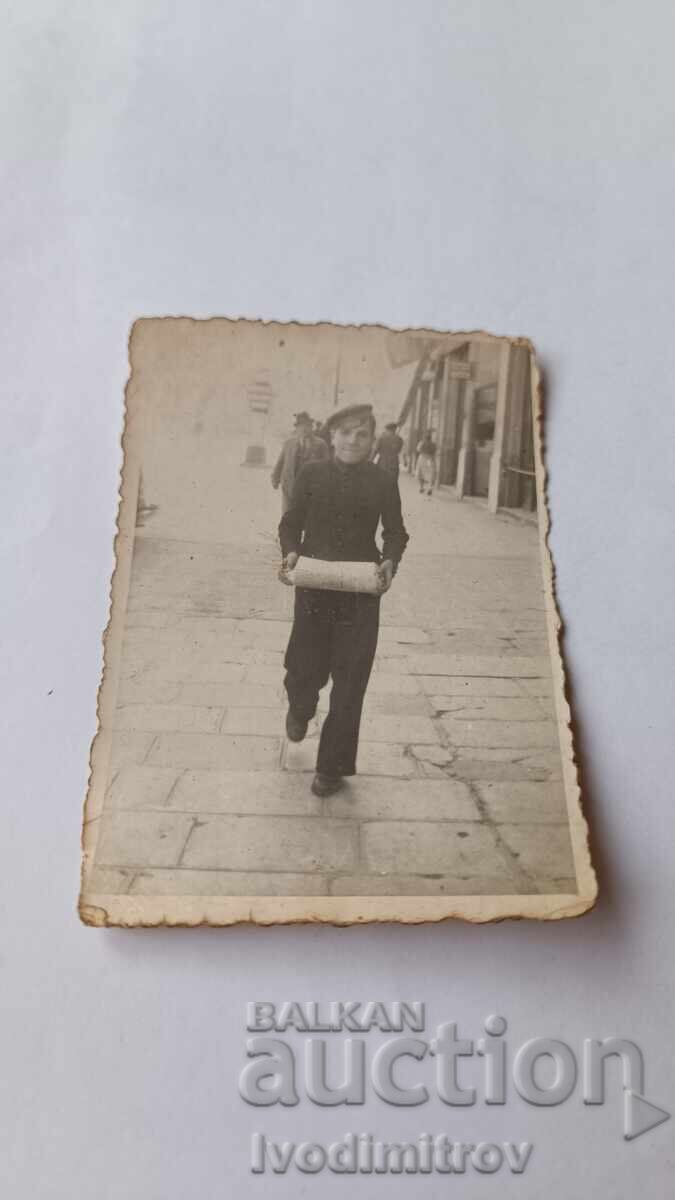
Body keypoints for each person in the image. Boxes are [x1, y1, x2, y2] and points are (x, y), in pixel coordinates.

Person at [278, 403, 409, 798]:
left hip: (360, 591)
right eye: (346, 432)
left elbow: (396, 532)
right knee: (304, 668)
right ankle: (300, 709)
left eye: (362, 434)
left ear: (372, 441)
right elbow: (290, 523)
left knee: (351, 681)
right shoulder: (312, 473)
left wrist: (389, 561)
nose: (354, 440)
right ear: (331, 436)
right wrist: (291, 552)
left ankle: (330, 768)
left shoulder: (383, 481)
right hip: (314, 587)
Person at [271, 411, 329, 512]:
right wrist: (275, 478)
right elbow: (280, 462)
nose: (304, 429)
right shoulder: (289, 443)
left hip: (311, 488)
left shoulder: (321, 444)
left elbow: (328, 466)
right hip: (289, 485)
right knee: (288, 516)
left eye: (307, 426)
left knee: (309, 517)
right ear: (297, 428)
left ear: (312, 428)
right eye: (301, 426)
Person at [415, 430, 438, 495]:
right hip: (430, 459)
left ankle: (421, 487)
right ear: (430, 438)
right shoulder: (433, 444)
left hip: (422, 458)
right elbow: (435, 451)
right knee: (431, 473)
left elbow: (418, 450)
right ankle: (430, 488)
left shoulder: (421, 443)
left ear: (424, 438)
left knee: (421, 473)